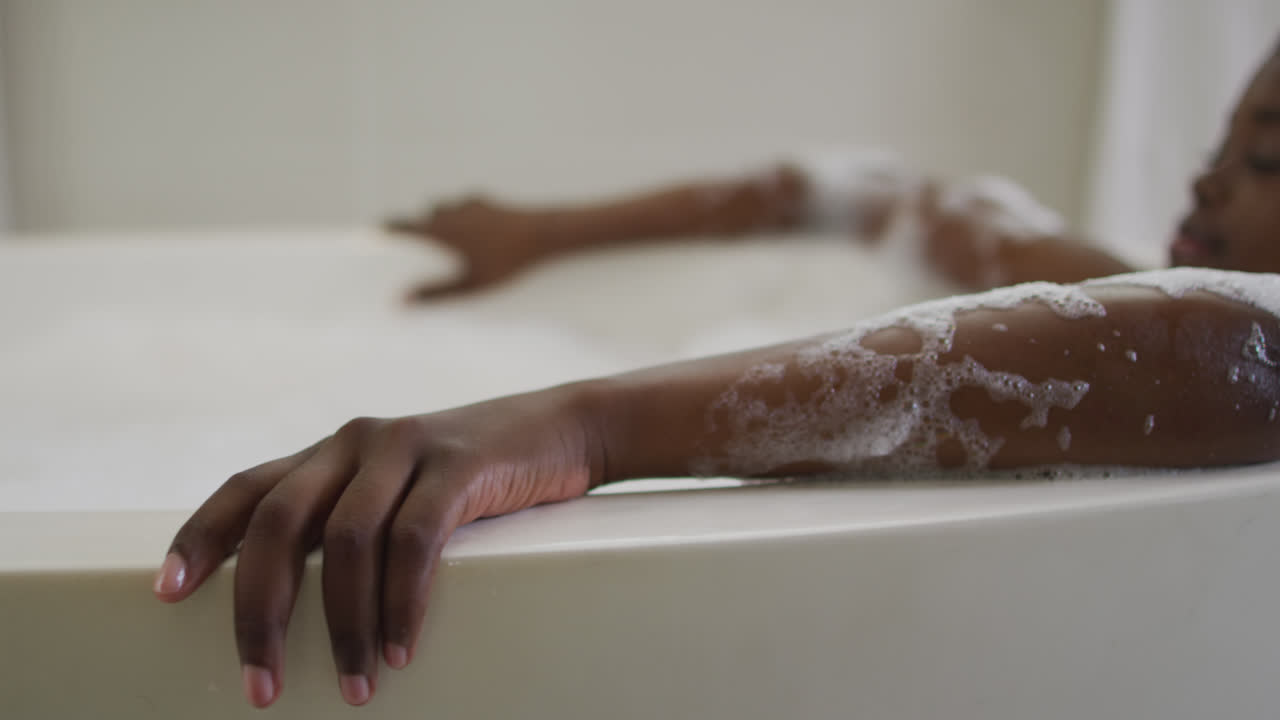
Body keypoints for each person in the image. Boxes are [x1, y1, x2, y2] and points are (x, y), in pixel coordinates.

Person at [154, 40, 1280, 708]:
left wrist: (579, 428)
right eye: (1216, 148)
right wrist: (543, 232)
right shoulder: (1106, 295)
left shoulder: (1216, 347)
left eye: (1265, 159)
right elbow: (868, 194)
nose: (1204, 186)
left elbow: (1254, 345)